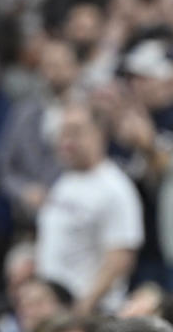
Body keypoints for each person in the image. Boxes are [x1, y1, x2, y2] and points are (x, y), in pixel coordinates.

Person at [36, 102, 144, 315]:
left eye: (75, 132)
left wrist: (84, 307)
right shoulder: (64, 181)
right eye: (63, 133)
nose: (67, 141)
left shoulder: (115, 187)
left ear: (99, 133)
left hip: (91, 314)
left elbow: (120, 257)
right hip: (55, 310)